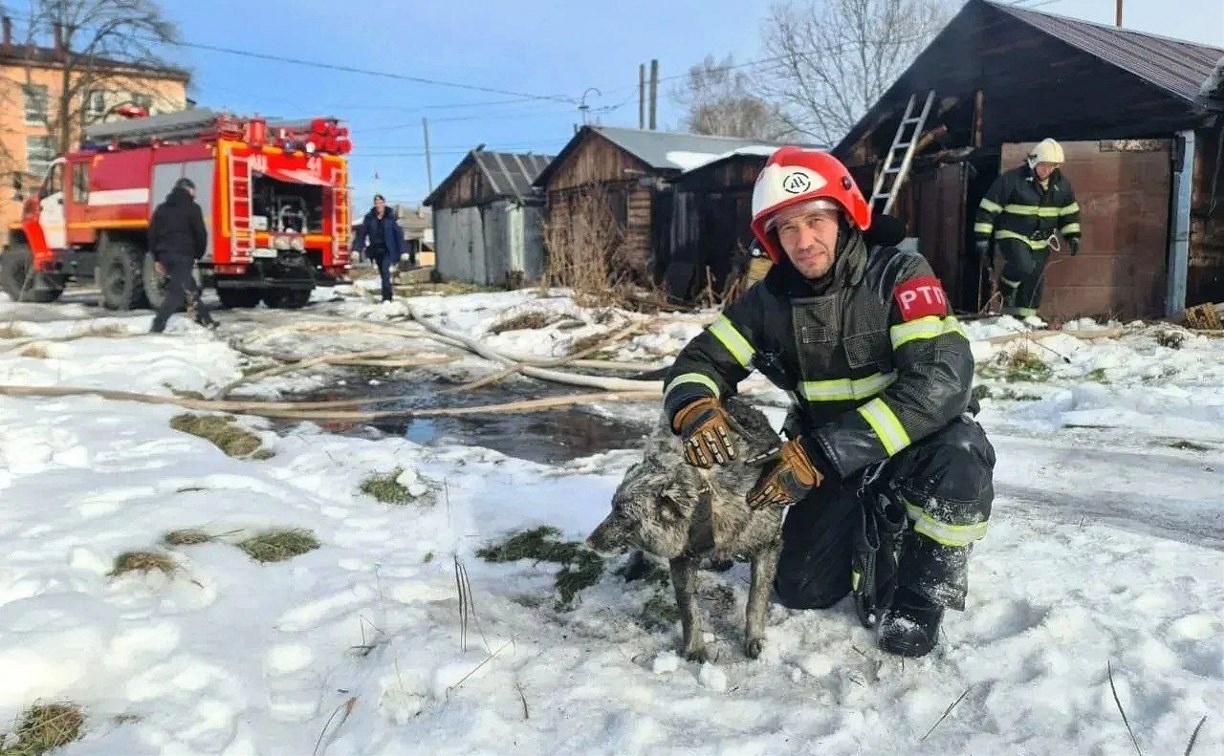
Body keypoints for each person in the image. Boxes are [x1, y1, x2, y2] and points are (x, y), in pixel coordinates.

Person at [661, 146, 996, 658]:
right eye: (787, 228)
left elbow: (941, 381)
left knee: (961, 455)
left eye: (815, 220)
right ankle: (870, 525)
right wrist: (696, 407)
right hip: (826, 462)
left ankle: (922, 596)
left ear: (846, 215)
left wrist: (823, 453)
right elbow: (696, 363)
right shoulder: (768, 301)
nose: (804, 240)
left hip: (908, 445)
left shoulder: (900, 274)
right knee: (801, 589)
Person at [974, 138, 1081, 319]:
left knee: (1034, 280)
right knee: (1023, 265)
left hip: (1042, 240)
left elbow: (1069, 213)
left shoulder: (1062, 186)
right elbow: (988, 208)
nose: (1047, 169)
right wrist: (982, 237)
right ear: (1034, 162)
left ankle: (1023, 318)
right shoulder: (1012, 180)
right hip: (1012, 233)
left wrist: (1073, 236)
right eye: (1043, 165)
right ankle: (1005, 289)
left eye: (1052, 166)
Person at [149, 177, 216, 333]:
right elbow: (200, 234)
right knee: (177, 293)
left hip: (165, 255)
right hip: (184, 255)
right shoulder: (193, 208)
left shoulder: (161, 209)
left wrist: (157, 258)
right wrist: (198, 254)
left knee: (189, 286)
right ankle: (158, 324)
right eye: (194, 190)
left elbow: (152, 235)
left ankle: (206, 320)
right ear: (188, 189)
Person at [352, 194, 405, 303]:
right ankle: (386, 295)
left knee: (385, 272)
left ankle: (387, 298)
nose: (378, 205)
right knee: (383, 274)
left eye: (380, 203)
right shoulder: (369, 218)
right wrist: (356, 249)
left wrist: (404, 251)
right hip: (376, 251)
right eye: (376, 203)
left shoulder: (391, 217)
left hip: (388, 250)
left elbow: (399, 235)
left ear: (384, 203)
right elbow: (361, 234)